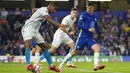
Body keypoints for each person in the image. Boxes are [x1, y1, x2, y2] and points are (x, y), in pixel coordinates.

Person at [59, 2, 105, 71]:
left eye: (90, 8)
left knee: (97, 48)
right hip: (82, 38)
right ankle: (61, 65)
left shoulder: (94, 17)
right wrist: (88, 29)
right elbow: (79, 25)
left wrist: (101, 34)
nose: (88, 9)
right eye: (87, 8)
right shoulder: (84, 15)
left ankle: (96, 65)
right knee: (73, 53)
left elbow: (96, 28)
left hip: (90, 38)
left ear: (93, 8)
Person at [21, 2, 64, 72]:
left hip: (35, 31)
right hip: (28, 28)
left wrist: (34, 15)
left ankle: (51, 65)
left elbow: (33, 9)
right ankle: (28, 65)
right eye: (54, 9)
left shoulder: (41, 9)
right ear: (51, 6)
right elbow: (47, 18)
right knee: (28, 45)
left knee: (44, 47)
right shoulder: (44, 10)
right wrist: (58, 25)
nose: (54, 11)